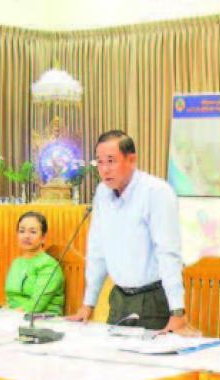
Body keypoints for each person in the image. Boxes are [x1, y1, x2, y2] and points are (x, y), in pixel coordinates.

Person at [67, 130, 192, 332]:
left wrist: (177, 312)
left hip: (152, 301)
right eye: (99, 162)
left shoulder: (156, 192)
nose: (104, 169)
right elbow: (97, 250)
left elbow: (168, 252)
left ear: (131, 160)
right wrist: (88, 304)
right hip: (119, 298)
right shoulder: (102, 193)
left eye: (111, 161)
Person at [4, 211, 65, 315]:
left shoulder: (49, 265)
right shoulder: (16, 262)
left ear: (43, 237)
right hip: (13, 316)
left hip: (41, 318)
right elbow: (10, 298)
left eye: (33, 232)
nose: (26, 236)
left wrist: (10, 315)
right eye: (22, 231)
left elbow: (37, 305)